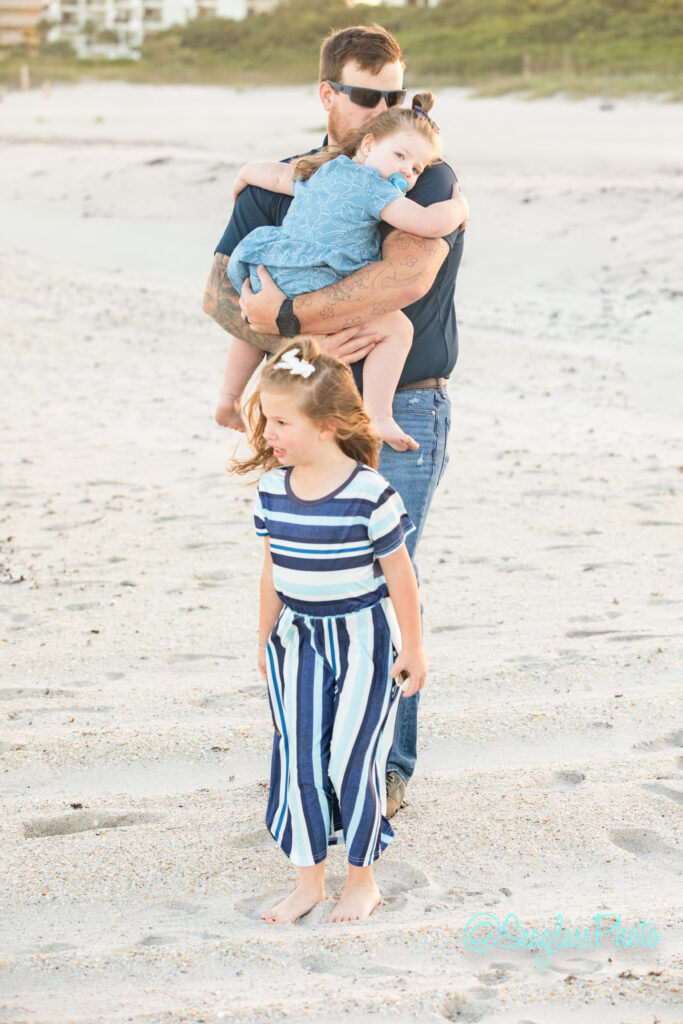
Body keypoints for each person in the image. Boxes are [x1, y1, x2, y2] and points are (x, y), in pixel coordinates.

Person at [204, 24, 465, 819]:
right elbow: (221, 298)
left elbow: (405, 278)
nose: (382, 108)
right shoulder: (287, 181)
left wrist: (287, 314)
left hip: (402, 402)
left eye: (394, 95)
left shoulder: (421, 169)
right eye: (365, 95)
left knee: (384, 580)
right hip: (305, 405)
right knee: (302, 578)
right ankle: (307, 764)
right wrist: (301, 335)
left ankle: (383, 768)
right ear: (328, 93)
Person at [230, 338, 427, 924]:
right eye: (267, 419)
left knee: (353, 758)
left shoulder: (370, 493)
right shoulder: (272, 490)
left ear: (328, 425)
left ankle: (361, 881)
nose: (268, 433)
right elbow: (272, 569)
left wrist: (414, 648)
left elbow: (401, 576)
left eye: (281, 422)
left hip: (364, 640)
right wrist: (265, 637)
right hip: (296, 640)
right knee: (300, 760)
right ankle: (309, 882)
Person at [218, 93, 468, 452]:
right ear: (368, 145)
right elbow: (426, 222)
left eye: (416, 169)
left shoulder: (324, 170)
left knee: (255, 321)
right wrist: (459, 208)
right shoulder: (375, 189)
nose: (406, 172)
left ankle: (229, 397)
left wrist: (245, 173)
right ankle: (379, 414)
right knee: (398, 329)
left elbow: (278, 175)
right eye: (400, 156)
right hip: (319, 275)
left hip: (276, 264)